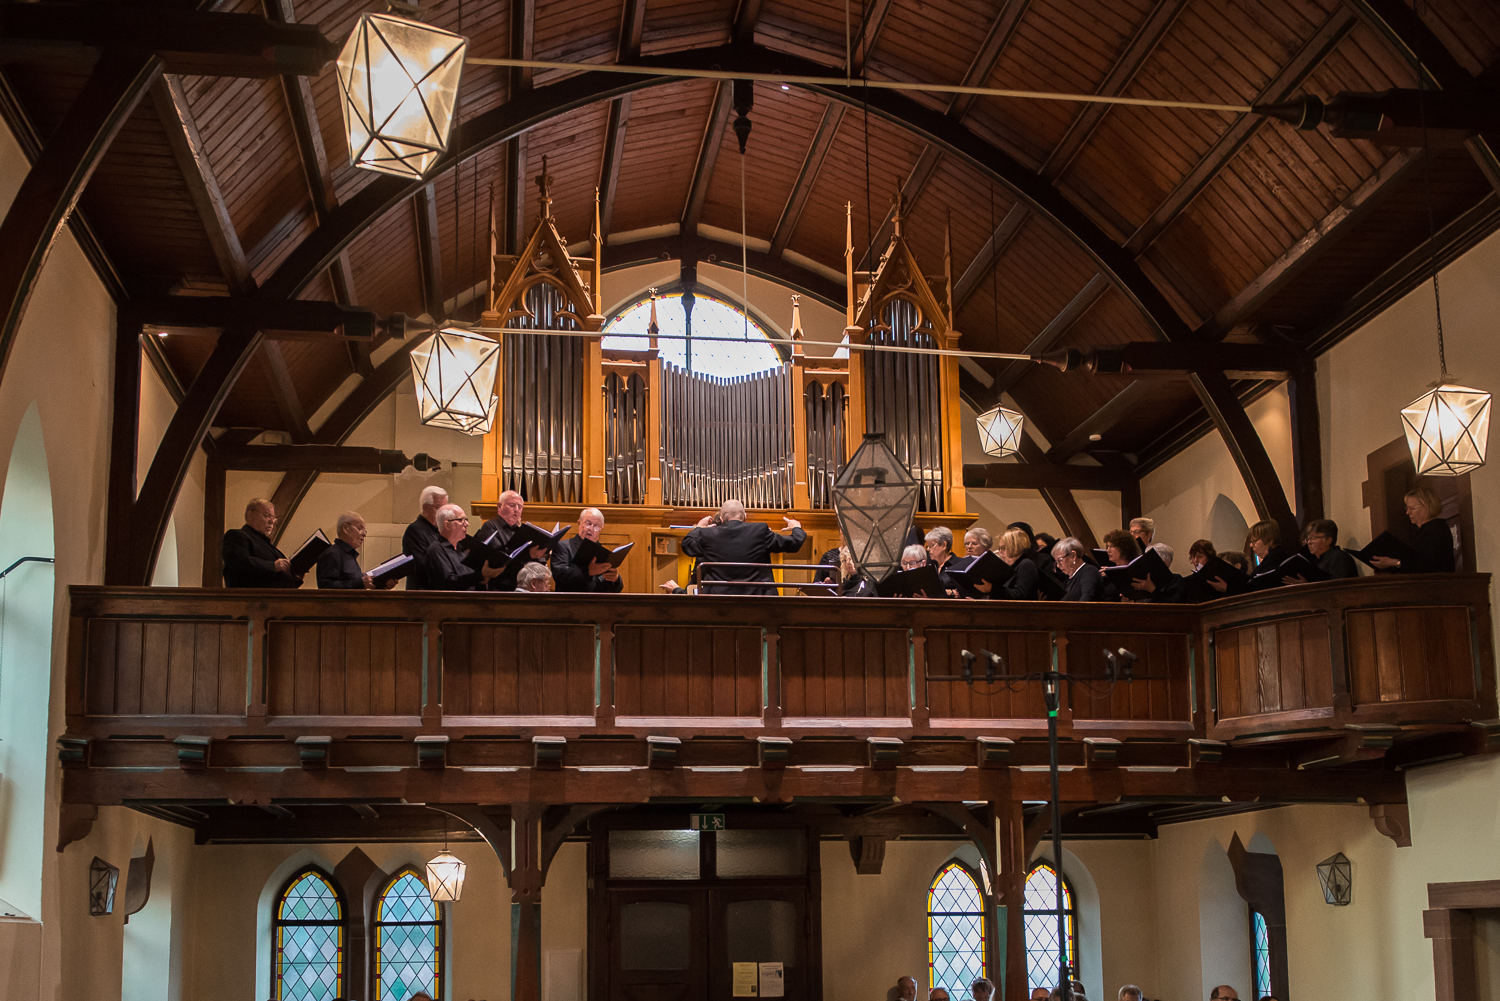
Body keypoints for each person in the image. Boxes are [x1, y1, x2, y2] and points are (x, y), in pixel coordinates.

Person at [681, 500, 805, 594]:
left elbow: (687, 545)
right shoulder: (760, 530)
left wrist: (699, 528)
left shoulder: (708, 534)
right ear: (745, 516)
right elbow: (794, 543)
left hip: (719, 602)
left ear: (721, 519)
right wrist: (796, 527)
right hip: (758, 601)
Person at [1370, 485, 1455, 573]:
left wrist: (1395, 562)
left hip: (1435, 584)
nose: (1407, 512)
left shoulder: (1437, 529)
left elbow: (1429, 563)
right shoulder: (1420, 532)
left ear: (1427, 506)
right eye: (1407, 508)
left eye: (1412, 508)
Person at [478, 488, 550, 591]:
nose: (516, 509)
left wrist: (542, 556)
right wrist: (528, 555)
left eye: (520, 507)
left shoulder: (522, 531)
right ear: (499, 506)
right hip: (501, 587)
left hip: (524, 587)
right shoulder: (490, 526)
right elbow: (498, 560)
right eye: (512, 505)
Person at [222, 498, 303, 588]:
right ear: (250, 515)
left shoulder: (267, 545)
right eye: (267, 516)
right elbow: (239, 562)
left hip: (276, 598)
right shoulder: (237, 535)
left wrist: (294, 575)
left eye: (273, 518)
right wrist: (273, 566)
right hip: (251, 598)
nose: (271, 521)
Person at [420, 504, 502, 591]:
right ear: (447, 525)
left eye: (466, 520)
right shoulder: (436, 550)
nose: (467, 524)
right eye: (461, 520)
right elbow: (448, 583)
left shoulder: (463, 549)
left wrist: (484, 577)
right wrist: (480, 576)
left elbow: (471, 580)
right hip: (451, 603)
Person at [550, 508, 623, 593]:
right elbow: (560, 575)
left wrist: (616, 579)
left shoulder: (602, 552)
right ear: (579, 523)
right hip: (571, 603)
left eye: (596, 526)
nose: (591, 529)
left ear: (600, 529)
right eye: (588, 524)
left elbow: (614, 589)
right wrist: (588, 571)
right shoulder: (563, 546)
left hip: (597, 603)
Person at [316, 512, 396, 590]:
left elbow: (352, 584)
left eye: (365, 531)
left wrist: (380, 586)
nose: (364, 534)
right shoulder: (332, 554)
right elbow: (326, 587)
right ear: (345, 528)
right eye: (360, 529)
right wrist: (360, 583)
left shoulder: (349, 555)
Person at [402, 485, 448, 590]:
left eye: (444, 508)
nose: (442, 513)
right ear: (425, 507)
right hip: (422, 594)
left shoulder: (440, 531)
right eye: (438, 508)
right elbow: (422, 565)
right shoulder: (415, 530)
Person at [1053, 537, 1103, 601]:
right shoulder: (1068, 579)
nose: (1058, 566)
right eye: (1056, 561)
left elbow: (1086, 599)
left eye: (1060, 560)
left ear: (1073, 556)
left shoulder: (1089, 572)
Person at [995, 527, 1039, 600]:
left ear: (1014, 547)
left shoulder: (1026, 564)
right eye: (999, 548)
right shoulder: (1012, 566)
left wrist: (992, 590)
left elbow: (1020, 595)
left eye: (1003, 548)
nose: (1000, 552)